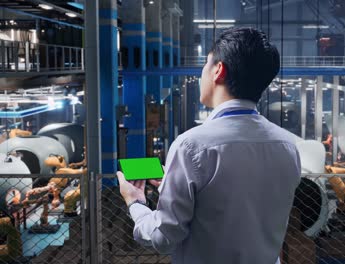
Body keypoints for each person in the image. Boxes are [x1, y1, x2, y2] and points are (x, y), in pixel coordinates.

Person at [117, 27, 301, 264]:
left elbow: (164, 237)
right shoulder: (287, 145)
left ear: (218, 70)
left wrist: (136, 203)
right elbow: (241, 205)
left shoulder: (191, 146)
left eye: (205, 65)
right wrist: (172, 186)